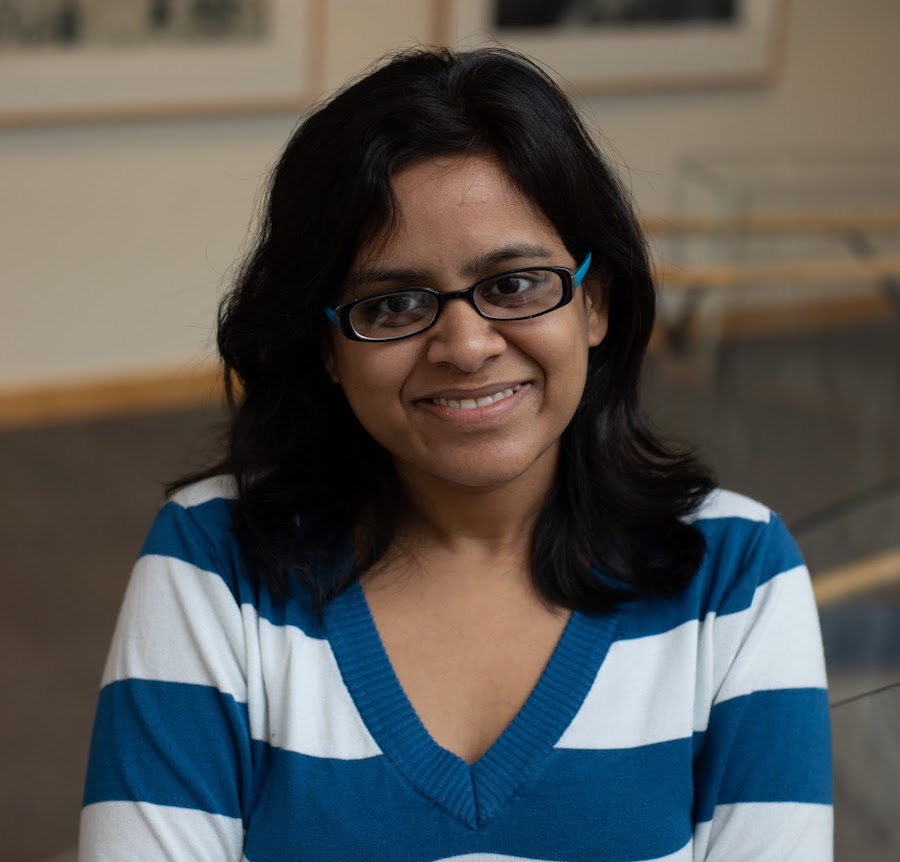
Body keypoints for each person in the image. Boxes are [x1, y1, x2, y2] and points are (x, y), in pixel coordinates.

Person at [79, 46, 832, 861]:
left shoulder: (736, 575)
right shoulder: (213, 561)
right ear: (328, 346)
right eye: (394, 304)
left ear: (594, 302)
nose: (467, 347)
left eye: (514, 285)